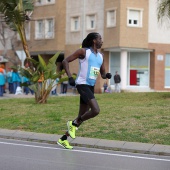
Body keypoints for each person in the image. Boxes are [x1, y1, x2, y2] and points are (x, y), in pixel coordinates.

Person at [57, 32, 112, 149]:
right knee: (95, 110)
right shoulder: (83, 52)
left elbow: (102, 73)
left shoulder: (101, 56)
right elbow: (65, 61)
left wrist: (106, 74)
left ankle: (63, 139)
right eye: (100, 39)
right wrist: (70, 77)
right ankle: (72, 123)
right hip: (82, 85)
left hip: (90, 86)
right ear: (94, 41)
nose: (102, 41)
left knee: (82, 115)